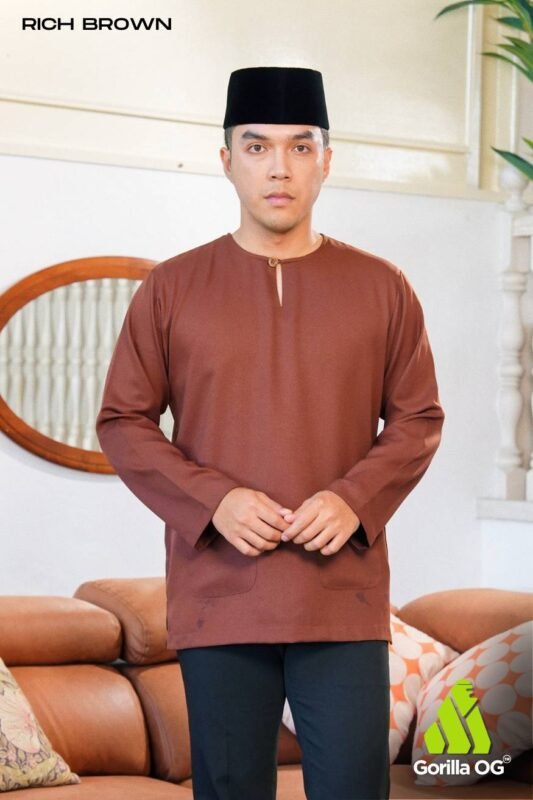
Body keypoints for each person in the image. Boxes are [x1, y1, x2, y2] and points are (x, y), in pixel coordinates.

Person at [95, 65, 445, 800]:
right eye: (257, 147)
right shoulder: (171, 288)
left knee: (354, 788)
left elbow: (417, 417)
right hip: (219, 593)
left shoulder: (382, 287)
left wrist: (353, 499)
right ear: (227, 160)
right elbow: (124, 421)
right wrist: (213, 501)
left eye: (299, 147)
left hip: (342, 598)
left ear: (326, 160)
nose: (278, 168)